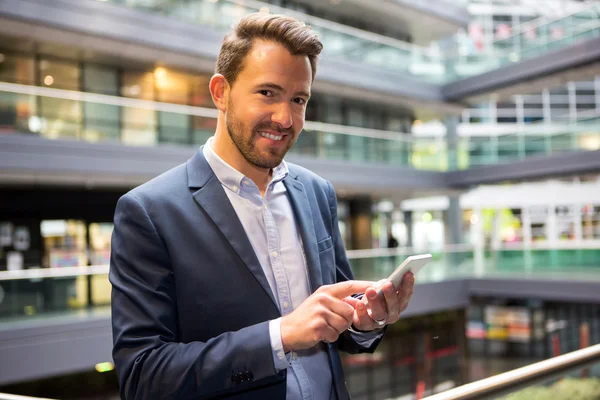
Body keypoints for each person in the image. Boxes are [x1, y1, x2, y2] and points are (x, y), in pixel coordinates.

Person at [110, 13, 415, 400]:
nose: (285, 118)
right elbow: (143, 376)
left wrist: (367, 321)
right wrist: (280, 336)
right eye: (267, 93)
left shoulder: (317, 192)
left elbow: (338, 328)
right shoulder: (149, 211)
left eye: (298, 99)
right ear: (221, 92)